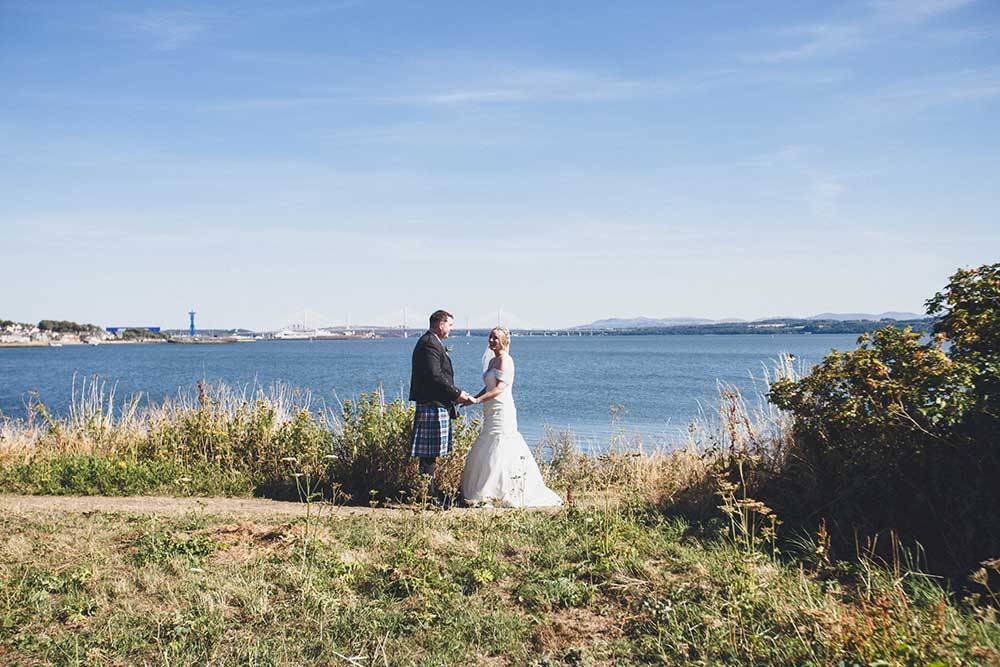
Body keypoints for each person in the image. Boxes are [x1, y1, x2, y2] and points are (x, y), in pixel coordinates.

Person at [461, 327, 561, 508]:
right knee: (488, 442)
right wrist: (473, 399)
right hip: (490, 409)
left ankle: (504, 490)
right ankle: (486, 489)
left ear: (504, 341)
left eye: (495, 338)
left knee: (502, 443)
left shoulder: (506, 361)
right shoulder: (492, 361)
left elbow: (499, 388)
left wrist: (477, 400)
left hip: (502, 409)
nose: (491, 341)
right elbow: (489, 386)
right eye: (490, 337)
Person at [409, 310, 475, 498]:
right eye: (450, 325)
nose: (451, 329)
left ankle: (428, 493)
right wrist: (458, 394)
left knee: (429, 454)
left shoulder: (431, 342)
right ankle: (428, 496)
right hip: (432, 404)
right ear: (440, 324)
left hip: (434, 403)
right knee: (429, 454)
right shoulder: (430, 343)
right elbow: (435, 376)